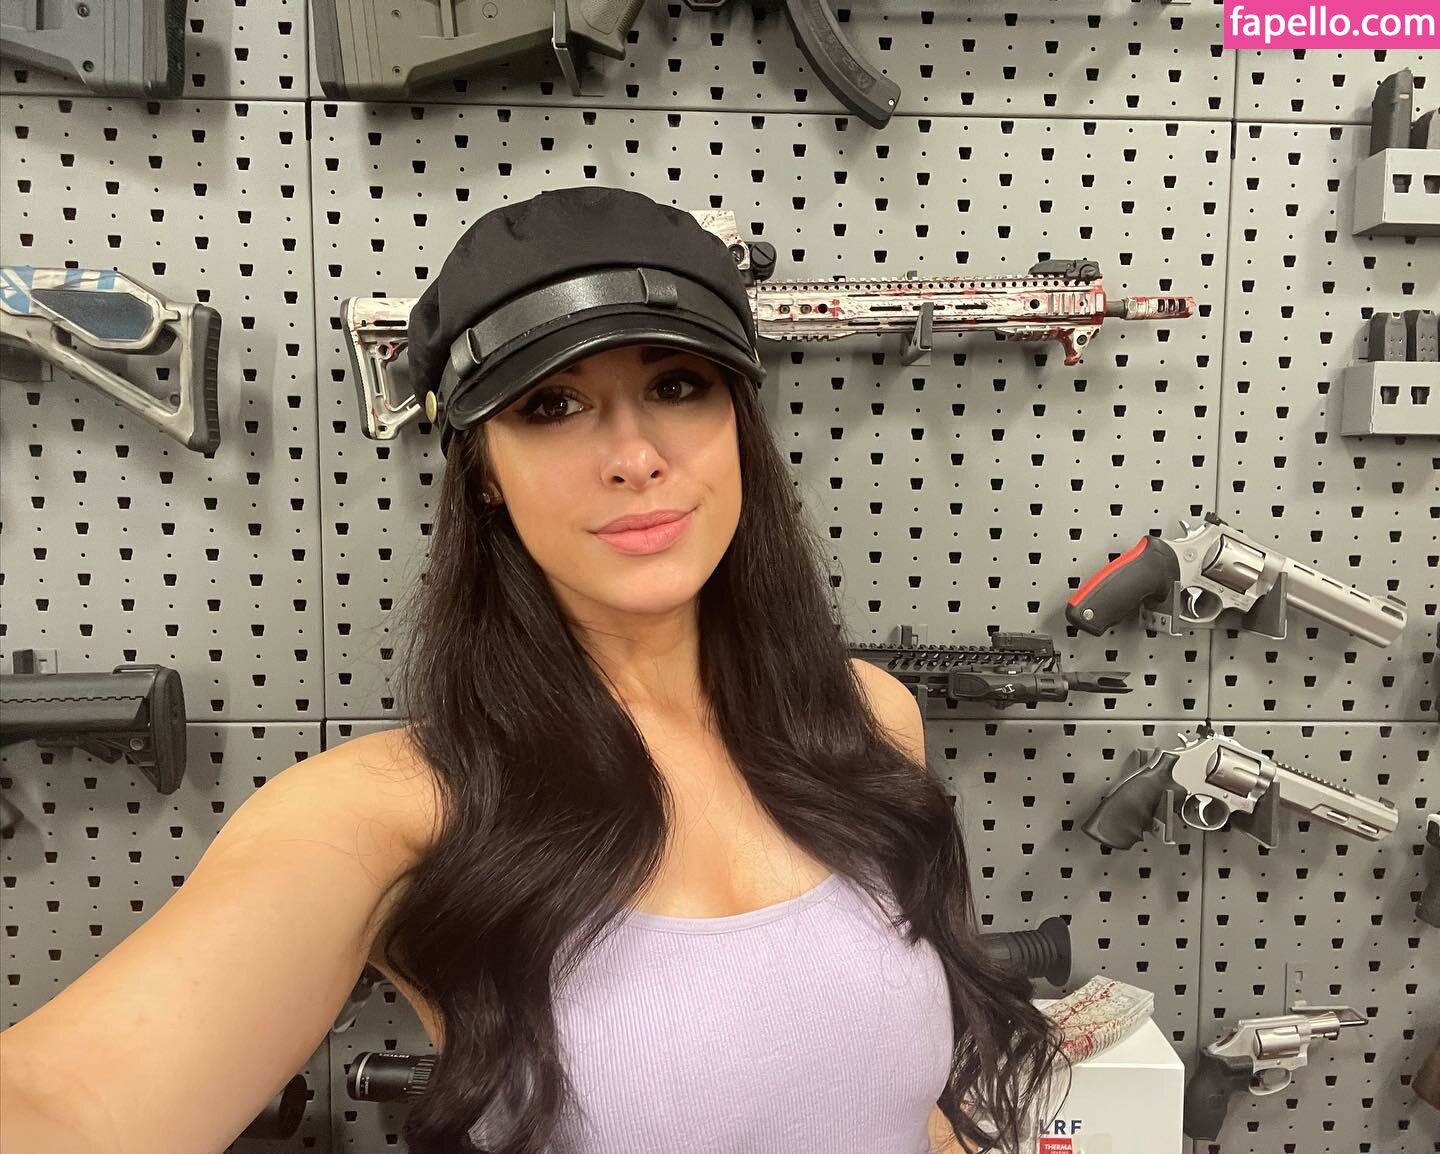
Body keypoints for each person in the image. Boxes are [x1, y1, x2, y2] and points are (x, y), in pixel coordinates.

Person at [0, 186, 1066, 1154]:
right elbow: (67, 1103)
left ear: (739, 422)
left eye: (679, 384)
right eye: (552, 404)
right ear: (484, 474)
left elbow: (912, 1106)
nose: (635, 455)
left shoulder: (867, 719)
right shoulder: (395, 812)